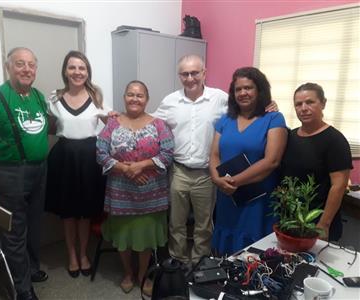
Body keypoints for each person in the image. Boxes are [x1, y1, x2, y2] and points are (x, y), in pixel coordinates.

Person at [153, 55, 277, 265]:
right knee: (176, 223)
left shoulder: (220, 98)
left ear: (204, 73)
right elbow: (151, 121)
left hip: (207, 173)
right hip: (179, 171)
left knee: (204, 224)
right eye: (185, 74)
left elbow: (246, 107)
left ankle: (199, 264)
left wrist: (270, 104)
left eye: (195, 73)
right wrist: (119, 117)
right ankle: (177, 261)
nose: (190, 78)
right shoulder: (170, 101)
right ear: (179, 76)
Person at [0, 47, 48, 300]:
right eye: (20, 64)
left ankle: (32, 269)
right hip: (9, 175)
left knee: (35, 226)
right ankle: (23, 288)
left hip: (39, 172)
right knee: (14, 233)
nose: (26, 69)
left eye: (31, 64)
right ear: (8, 67)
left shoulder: (38, 96)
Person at [96, 80, 174, 295]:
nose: (134, 99)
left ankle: (142, 274)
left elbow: (167, 153)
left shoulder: (159, 124)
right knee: (123, 237)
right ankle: (128, 273)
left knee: (145, 237)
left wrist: (142, 166)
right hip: (120, 192)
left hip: (151, 192)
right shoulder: (112, 123)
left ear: (147, 100)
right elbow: (100, 152)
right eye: (130, 94)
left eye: (139, 95)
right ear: (124, 97)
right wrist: (124, 169)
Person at [209, 67, 287, 256]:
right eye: (238, 89)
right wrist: (216, 179)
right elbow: (214, 154)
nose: (243, 93)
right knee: (226, 248)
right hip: (228, 196)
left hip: (257, 199)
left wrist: (234, 182)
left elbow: (272, 161)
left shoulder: (274, 118)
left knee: (254, 252)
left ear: (259, 90)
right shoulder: (226, 120)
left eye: (248, 88)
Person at [45, 51, 109, 278]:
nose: (77, 72)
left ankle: (83, 254)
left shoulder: (97, 97)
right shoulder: (53, 98)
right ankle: (71, 254)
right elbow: (50, 127)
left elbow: (110, 123)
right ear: (65, 71)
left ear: (87, 72)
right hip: (64, 159)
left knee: (85, 212)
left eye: (82, 68)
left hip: (89, 159)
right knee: (68, 212)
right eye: (72, 67)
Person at [280, 83, 352, 241]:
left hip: (316, 222)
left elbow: (338, 186)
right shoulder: (289, 136)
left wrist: (323, 225)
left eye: (310, 102)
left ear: (323, 103)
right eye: (298, 104)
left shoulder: (335, 141)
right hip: (289, 220)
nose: (303, 108)